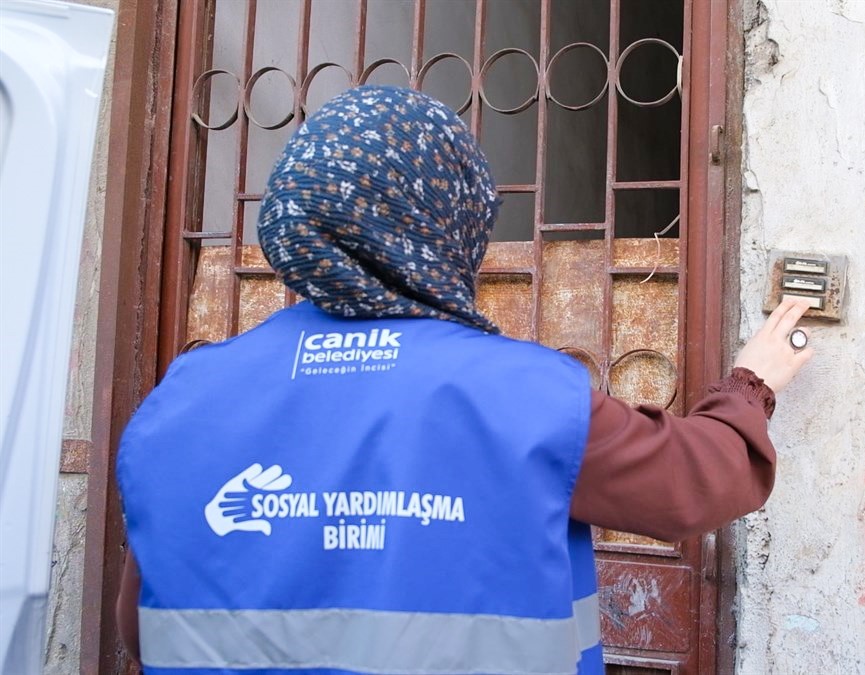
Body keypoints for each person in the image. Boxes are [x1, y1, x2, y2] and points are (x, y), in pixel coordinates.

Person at [116, 86, 812, 674]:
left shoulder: (181, 399)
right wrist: (750, 384)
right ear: (446, 224)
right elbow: (692, 484)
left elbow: (139, 618)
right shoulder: (526, 397)